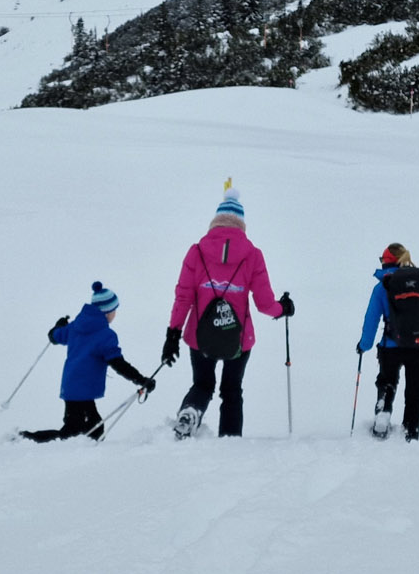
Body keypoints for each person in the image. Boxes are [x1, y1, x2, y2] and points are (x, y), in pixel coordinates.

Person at [162, 188, 293, 438]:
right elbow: (265, 304)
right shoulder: (253, 255)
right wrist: (283, 309)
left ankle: (190, 411)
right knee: (232, 391)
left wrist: (173, 334)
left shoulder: (197, 251)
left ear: (215, 221)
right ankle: (230, 443)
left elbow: (183, 297)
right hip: (239, 338)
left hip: (199, 335)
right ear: (242, 225)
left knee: (202, 385)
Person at [20, 282, 157, 443]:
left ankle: (32, 441)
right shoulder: (105, 335)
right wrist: (141, 380)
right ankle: (27, 439)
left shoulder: (75, 326)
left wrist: (58, 326)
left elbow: (54, 336)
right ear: (107, 312)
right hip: (82, 391)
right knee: (76, 434)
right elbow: (118, 364)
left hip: (72, 386)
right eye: (114, 310)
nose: (115, 314)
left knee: (91, 429)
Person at [356, 243, 419, 442]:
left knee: (387, 382)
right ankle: (410, 433)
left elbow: (371, 320)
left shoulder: (381, 287)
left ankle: (383, 412)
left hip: (391, 347)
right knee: (415, 393)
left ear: (386, 262)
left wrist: (364, 345)